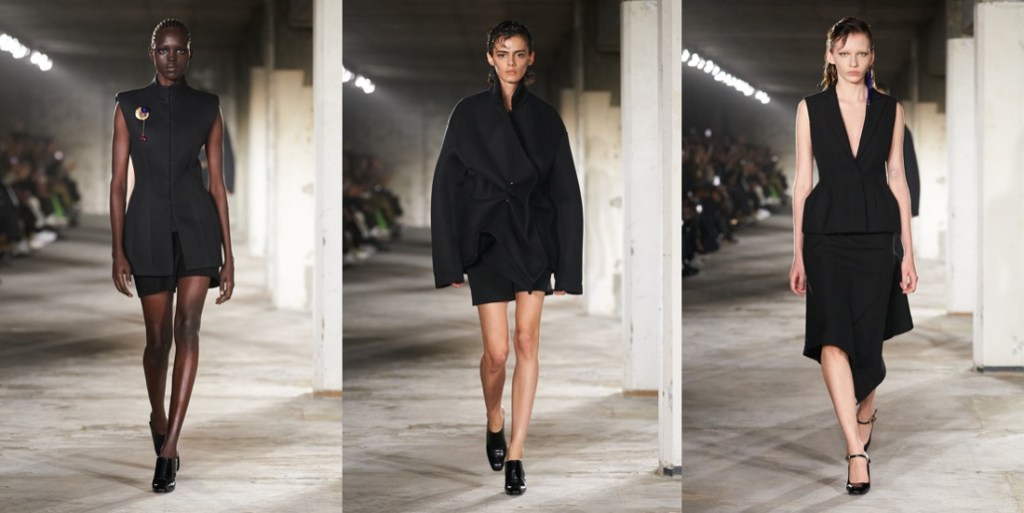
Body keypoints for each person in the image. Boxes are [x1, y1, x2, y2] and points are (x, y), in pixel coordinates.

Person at [430, 20, 584, 496]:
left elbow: (566, 193)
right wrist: (449, 259)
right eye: (502, 53)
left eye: (519, 53)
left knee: (526, 342)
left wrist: (569, 266)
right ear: (490, 58)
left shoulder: (547, 120)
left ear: (530, 58)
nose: (511, 62)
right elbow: (445, 185)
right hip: (488, 241)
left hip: (533, 239)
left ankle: (516, 452)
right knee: (496, 353)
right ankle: (494, 417)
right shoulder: (468, 113)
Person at [788, 17, 916, 495]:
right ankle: (855, 451)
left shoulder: (890, 109)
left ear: (872, 56)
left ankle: (866, 408)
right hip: (825, 236)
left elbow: (897, 177)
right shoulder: (811, 108)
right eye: (844, 54)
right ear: (830, 56)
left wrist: (908, 251)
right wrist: (798, 251)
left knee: (868, 337)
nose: (853, 62)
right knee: (832, 336)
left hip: (877, 236)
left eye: (861, 53)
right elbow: (802, 182)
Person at [109, 18, 234, 494]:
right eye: (164, 49)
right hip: (145, 229)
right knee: (157, 341)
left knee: (188, 329)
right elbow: (117, 183)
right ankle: (157, 417)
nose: (171, 57)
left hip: (198, 228)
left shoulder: (208, 107)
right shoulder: (128, 105)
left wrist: (229, 255)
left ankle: (170, 447)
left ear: (190, 54)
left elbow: (217, 184)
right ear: (152, 52)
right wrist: (117, 249)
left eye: (179, 50)